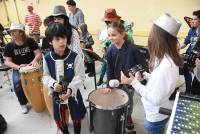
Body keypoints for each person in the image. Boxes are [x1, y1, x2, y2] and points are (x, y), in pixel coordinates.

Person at [120, 13, 183, 134]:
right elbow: (161, 82)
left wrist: (133, 82)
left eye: (152, 33)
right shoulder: (168, 59)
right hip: (159, 113)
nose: (150, 37)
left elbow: (155, 99)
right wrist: (147, 76)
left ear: (159, 38)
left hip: (155, 118)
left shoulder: (166, 67)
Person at [102, 22, 146, 130]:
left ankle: (128, 115)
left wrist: (136, 76)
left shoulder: (133, 49)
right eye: (109, 35)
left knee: (128, 100)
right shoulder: (110, 50)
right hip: (116, 81)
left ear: (122, 34)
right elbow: (109, 68)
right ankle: (118, 115)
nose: (110, 38)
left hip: (130, 82)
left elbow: (142, 64)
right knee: (117, 100)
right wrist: (108, 84)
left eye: (114, 35)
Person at [42, 23, 86, 134]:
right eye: (57, 39)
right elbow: (45, 76)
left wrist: (71, 89)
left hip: (73, 92)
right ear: (50, 41)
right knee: (59, 119)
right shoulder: (47, 58)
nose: (62, 41)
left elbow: (80, 76)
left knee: (77, 116)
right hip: (56, 94)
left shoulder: (75, 57)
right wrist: (53, 84)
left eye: (64, 37)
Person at [4, 22, 42, 114]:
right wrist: (18, 67)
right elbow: (7, 61)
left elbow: (38, 54)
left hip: (32, 67)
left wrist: (34, 61)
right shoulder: (9, 46)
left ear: (21, 32)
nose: (11, 33)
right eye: (10, 31)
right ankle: (23, 104)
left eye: (14, 31)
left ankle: (39, 99)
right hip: (19, 69)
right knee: (17, 83)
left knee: (41, 81)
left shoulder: (30, 41)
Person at [97, 8, 134, 86]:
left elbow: (129, 37)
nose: (107, 23)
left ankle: (127, 84)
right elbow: (107, 40)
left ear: (115, 19)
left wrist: (121, 36)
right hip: (112, 50)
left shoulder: (126, 25)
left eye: (109, 21)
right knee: (107, 66)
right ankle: (103, 79)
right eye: (106, 21)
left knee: (125, 69)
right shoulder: (109, 25)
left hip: (125, 51)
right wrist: (105, 45)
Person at [179, 10, 200, 93]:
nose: (192, 21)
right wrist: (176, 49)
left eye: (195, 19)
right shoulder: (191, 30)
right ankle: (188, 91)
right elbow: (184, 44)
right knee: (186, 71)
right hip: (190, 55)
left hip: (196, 59)